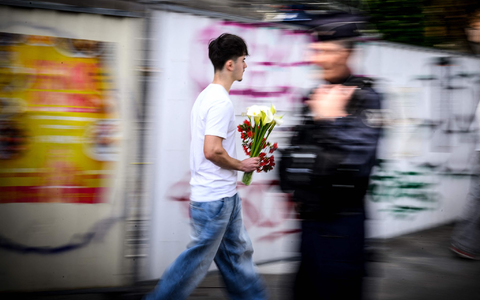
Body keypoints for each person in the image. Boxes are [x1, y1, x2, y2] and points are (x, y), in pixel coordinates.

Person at [144, 33, 268, 300]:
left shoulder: (207, 96)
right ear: (230, 64)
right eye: (244, 60)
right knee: (196, 263)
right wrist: (242, 164)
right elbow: (212, 150)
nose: (246, 65)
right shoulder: (220, 102)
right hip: (215, 201)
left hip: (222, 197)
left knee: (237, 258)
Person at [281, 12, 382, 300]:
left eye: (325, 50)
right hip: (309, 227)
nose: (316, 57)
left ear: (346, 52)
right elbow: (290, 169)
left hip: (342, 229)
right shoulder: (314, 95)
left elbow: (354, 166)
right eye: (315, 49)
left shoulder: (365, 97)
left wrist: (328, 123)